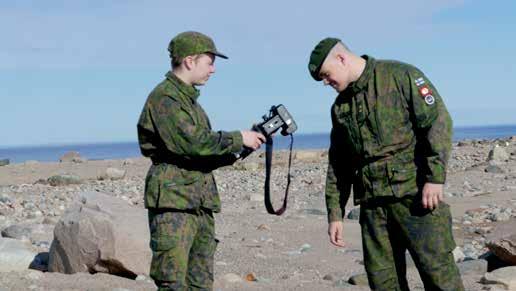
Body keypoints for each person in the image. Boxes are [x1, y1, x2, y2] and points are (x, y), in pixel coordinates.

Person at [308, 38, 464, 290]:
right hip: (373, 210)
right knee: (383, 282)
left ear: (341, 58)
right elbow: (339, 163)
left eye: (326, 75)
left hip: (415, 199)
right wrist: (335, 214)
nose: (326, 82)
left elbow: (437, 122)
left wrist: (435, 178)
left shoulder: (400, 76)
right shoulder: (340, 108)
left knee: (439, 276)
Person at [137, 31, 265, 290]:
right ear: (189, 61)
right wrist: (238, 138)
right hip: (175, 204)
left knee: (200, 282)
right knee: (173, 282)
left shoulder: (190, 103)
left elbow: (199, 152)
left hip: (198, 203)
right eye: (209, 62)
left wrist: (237, 152)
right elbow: (192, 142)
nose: (213, 70)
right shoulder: (165, 99)